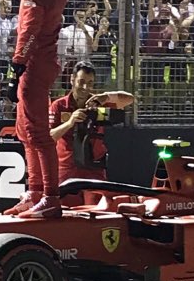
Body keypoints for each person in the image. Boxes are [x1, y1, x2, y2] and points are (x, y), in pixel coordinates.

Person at [0, 0, 69, 219]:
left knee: (36, 133)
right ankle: (36, 191)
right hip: (44, 60)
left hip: (34, 64)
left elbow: (27, 32)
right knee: (26, 131)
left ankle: (49, 196)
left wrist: (15, 69)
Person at [49, 60, 134, 188]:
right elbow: (49, 137)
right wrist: (70, 123)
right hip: (67, 168)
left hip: (94, 169)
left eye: (90, 83)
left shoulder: (98, 102)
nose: (85, 88)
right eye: (81, 82)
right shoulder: (59, 106)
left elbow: (129, 99)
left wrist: (106, 97)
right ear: (72, 79)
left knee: (96, 206)